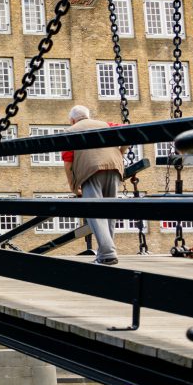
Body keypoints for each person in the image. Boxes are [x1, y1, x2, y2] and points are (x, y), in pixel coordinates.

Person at [62, 105, 125, 265]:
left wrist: (73, 185)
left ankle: (108, 254)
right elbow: (128, 132)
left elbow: (68, 163)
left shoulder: (70, 132)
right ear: (88, 116)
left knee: (94, 212)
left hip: (90, 171)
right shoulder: (106, 125)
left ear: (72, 120)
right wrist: (120, 153)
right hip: (114, 168)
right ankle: (107, 252)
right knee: (110, 211)